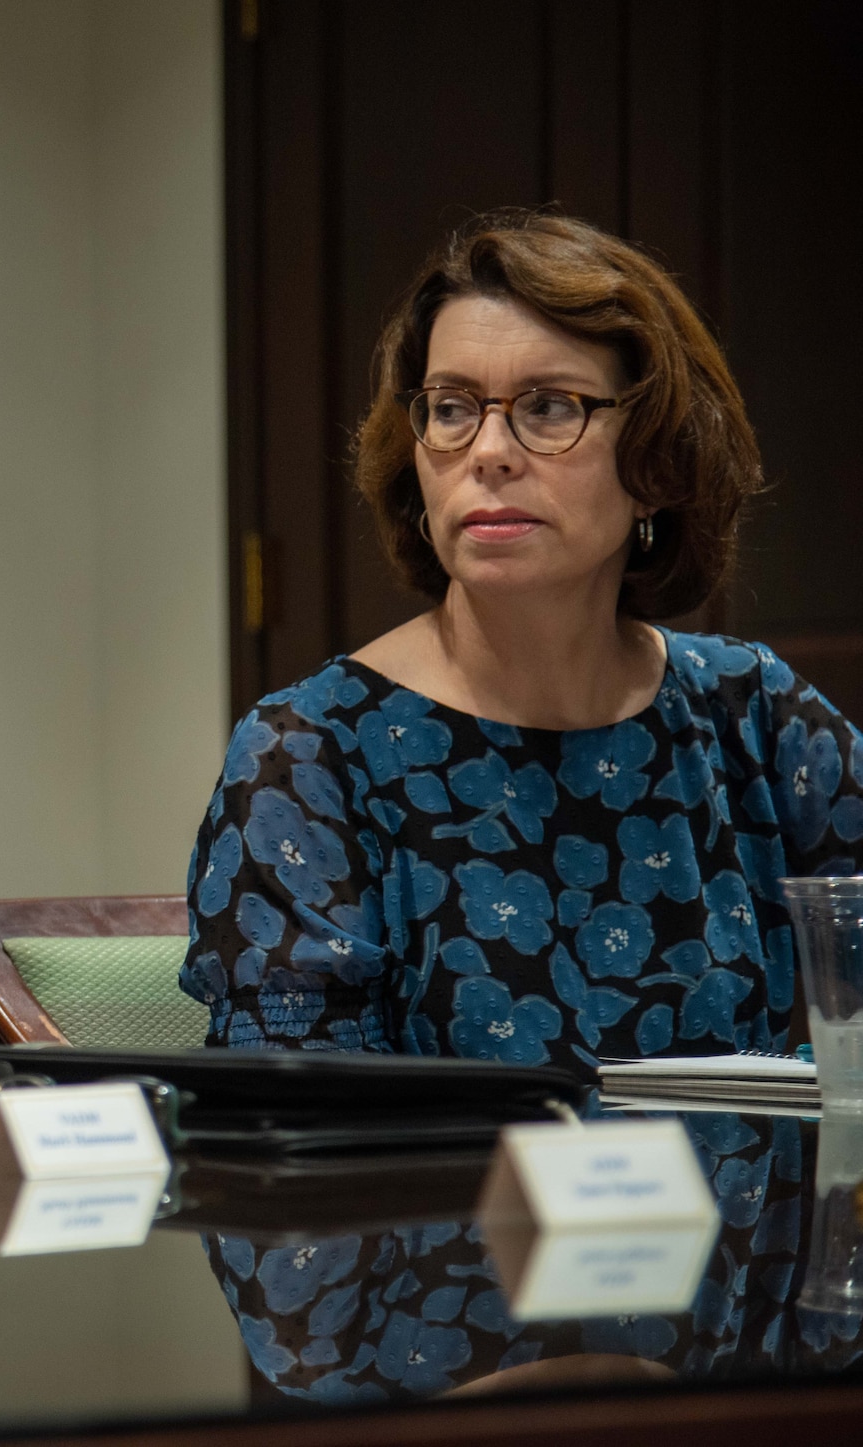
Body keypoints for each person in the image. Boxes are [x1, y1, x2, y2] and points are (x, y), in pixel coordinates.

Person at [179, 210, 863, 1075]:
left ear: (658, 462)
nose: (489, 451)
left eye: (548, 407)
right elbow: (308, 1129)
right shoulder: (307, 756)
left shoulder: (754, 713)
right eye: (452, 408)